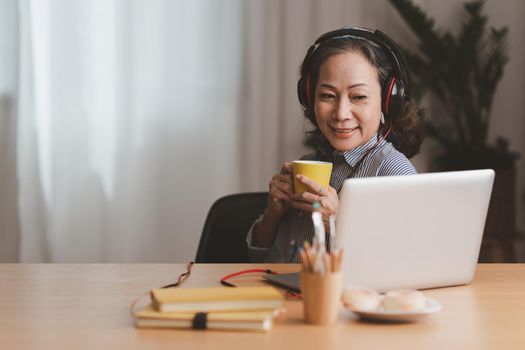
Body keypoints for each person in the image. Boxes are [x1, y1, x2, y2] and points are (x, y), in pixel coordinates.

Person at [246, 27, 424, 263]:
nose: (341, 114)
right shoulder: (311, 162)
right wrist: (273, 215)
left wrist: (339, 221)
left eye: (358, 97)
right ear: (310, 97)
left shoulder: (395, 173)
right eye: (327, 96)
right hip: (279, 296)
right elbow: (256, 258)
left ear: (387, 101)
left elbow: (405, 263)